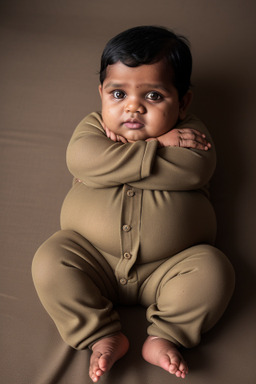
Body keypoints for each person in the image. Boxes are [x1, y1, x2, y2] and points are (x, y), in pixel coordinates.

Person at [32, 26, 235, 381]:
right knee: (50, 260)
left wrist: (115, 160)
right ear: (101, 94)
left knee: (215, 270)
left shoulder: (192, 132)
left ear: (182, 102)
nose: (132, 106)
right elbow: (82, 159)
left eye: (154, 96)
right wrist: (157, 146)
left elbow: (191, 170)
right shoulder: (92, 127)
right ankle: (100, 335)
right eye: (117, 93)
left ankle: (166, 336)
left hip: (170, 267)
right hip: (93, 257)